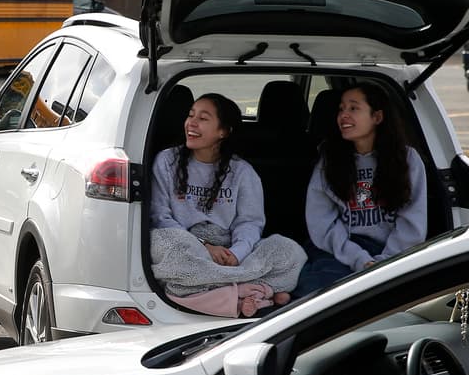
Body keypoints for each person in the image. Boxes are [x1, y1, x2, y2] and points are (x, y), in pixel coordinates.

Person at [149, 93, 300, 315]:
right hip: (185, 243)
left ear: (223, 131)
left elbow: (249, 223)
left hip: (226, 250)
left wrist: (236, 254)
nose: (191, 123)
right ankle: (252, 290)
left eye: (203, 118)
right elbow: (160, 216)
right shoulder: (166, 161)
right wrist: (204, 247)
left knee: (289, 250)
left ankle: (212, 291)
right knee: (165, 243)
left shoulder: (242, 172)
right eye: (190, 115)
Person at [296, 82, 427, 295]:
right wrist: (360, 260)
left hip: (392, 254)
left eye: (353, 108)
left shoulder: (408, 159)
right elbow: (322, 224)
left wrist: (383, 263)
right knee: (314, 293)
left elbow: (412, 224)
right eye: (341, 109)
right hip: (341, 251)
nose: (344, 115)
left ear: (377, 117)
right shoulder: (329, 161)